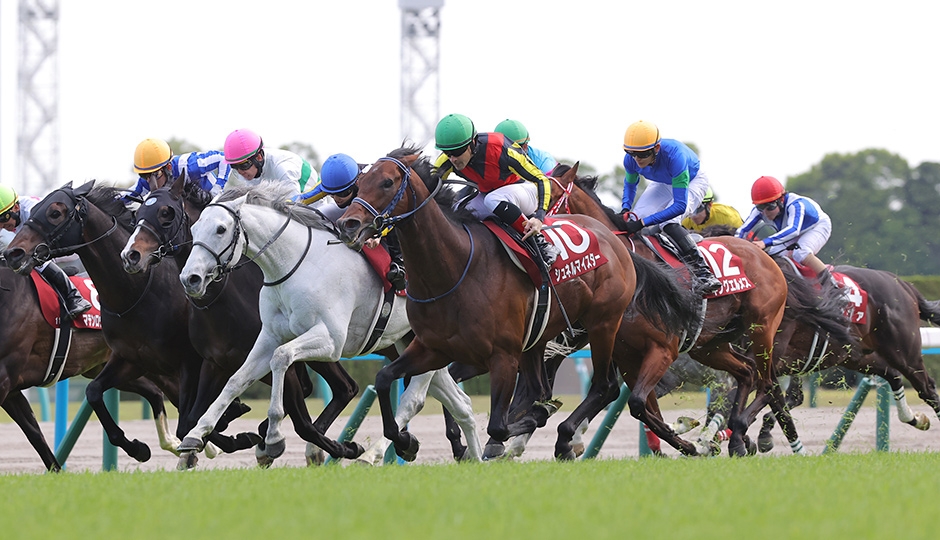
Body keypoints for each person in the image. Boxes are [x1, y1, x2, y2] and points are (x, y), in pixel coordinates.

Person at [433, 113, 559, 266]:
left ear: (472, 143)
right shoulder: (446, 160)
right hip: (491, 196)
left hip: (525, 193)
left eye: (457, 152)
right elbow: (428, 190)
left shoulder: (501, 149)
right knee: (456, 210)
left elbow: (541, 179)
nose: (453, 159)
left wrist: (539, 217)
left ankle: (541, 243)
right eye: (447, 153)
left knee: (492, 199)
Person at [619, 120, 721, 294]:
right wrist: (625, 209)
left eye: (642, 154)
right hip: (663, 182)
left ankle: (703, 272)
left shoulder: (675, 157)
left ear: (656, 148)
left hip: (693, 180)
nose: (637, 159)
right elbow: (630, 184)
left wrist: (643, 223)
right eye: (631, 153)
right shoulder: (631, 160)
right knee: (634, 216)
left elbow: (679, 206)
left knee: (669, 222)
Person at [293, 153, 406, 291]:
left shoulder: (371, 181)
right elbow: (302, 198)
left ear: (356, 183)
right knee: (318, 214)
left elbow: (390, 213)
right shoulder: (334, 181)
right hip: (352, 210)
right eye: (331, 194)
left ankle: (399, 263)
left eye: (342, 193)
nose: (336, 199)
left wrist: (378, 234)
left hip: (378, 211)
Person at [0, 185, 92, 319]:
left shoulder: (31, 210)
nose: (1, 226)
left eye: (3, 218)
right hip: (45, 246)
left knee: (34, 260)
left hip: (67, 248)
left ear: (16, 207)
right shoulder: (11, 214)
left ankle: (74, 297)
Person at [736, 175, 835, 284]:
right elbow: (742, 231)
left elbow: (794, 230)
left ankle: (832, 285)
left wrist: (764, 242)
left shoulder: (796, 204)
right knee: (771, 256)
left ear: (781, 200)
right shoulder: (759, 211)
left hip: (816, 226)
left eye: (770, 207)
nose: (765, 212)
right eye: (760, 207)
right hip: (792, 232)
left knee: (801, 253)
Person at [222, 128, 318, 199]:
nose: (240, 172)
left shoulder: (283, 168)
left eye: (243, 165)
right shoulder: (249, 172)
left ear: (258, 157)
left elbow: (294, 204)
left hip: (315, 207)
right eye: (234, 166)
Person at [128, 138, 232, 201]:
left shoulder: (190, 166)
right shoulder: (146, 181)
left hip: (211, 206)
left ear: (168, 167)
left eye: (156, 174)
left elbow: (224, 158)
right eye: (144, 175)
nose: (150, 181)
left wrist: (217, 189)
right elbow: (124, 197)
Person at [493, 119, 558, 175]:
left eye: (513, 151)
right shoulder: (491, 158)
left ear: (525, 146)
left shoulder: (544, 160)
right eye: (504, 150)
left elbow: (550, 184)